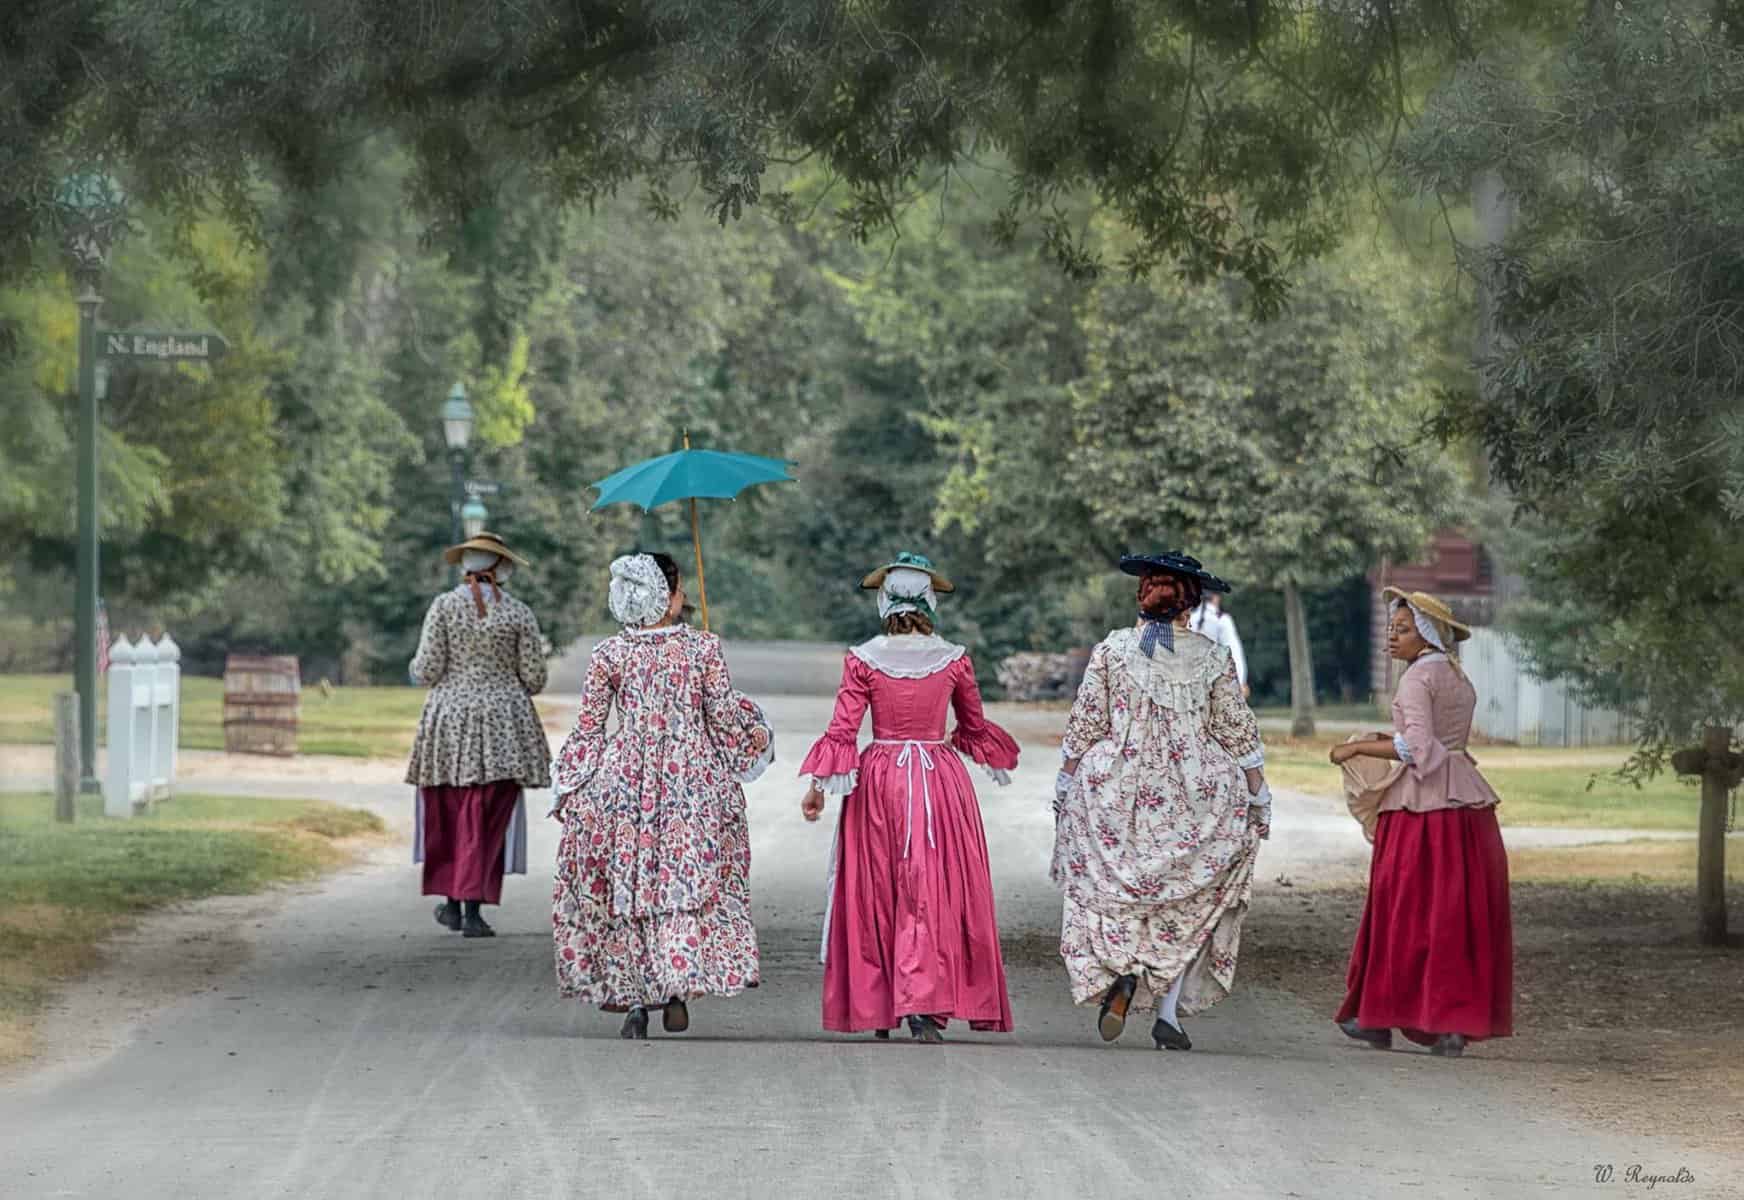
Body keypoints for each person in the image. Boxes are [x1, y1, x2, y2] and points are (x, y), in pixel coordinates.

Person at [1052, 551, 1271, 1051]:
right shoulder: (1214, 657)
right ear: (1190, 605)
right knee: (1181, 898)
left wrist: (1066, 782)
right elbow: (1236, 729)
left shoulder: (1112, 650)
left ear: (1143, 597)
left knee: (1120, 889)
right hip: (1194, 793)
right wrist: (1258, 790)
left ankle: (1124, 974)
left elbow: (1086, 721)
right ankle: (1168, 1015)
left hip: (1117, 788)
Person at [549, 552, 773, 1039]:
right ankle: (676, 988)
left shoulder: (610, 655)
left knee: (633, 884)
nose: (687, 597)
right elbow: (723, 718)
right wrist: (753, 730)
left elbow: (589, 730)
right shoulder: (703, 649)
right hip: (690, 781)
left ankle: (635, 1001)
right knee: (682, 881)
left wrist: (571, 780)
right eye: (680, 591)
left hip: (626, 779)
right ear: (666, 599)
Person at [799, 552, 1019, 1044]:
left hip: (879, 778)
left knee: (878, 889)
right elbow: (974, 725)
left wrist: (817, 787)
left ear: (884, 602)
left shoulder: (862, 658)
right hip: (939, 782)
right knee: (931, 890)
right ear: (928, 602)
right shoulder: (954, 658)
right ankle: (924, 1003)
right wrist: (988, 755)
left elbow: (843, 731)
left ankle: (882, 1005)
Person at [1328, 588, 1512, 1058]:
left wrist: (1354, 749)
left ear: (1426, 634)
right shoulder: (1456, 676)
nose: (1392, 636)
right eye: (1392, 628)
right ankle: (1450, 1023)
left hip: (1422, 808)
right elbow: (1437, 740)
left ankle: (1378, 1017)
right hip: (1465, 801)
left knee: (1403, 910)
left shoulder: (1415, 680)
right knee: (1454, 914)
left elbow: (1415, 746)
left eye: (1403, 629)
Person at [406, 531, 550, 939]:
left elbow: (428, 670)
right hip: (504, 723)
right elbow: (535, 679)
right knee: (486, 816)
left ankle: (452, 904)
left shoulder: (443, 607)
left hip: (449, 723)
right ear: (501, 568)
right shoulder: (520, 614)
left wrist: (422, 668)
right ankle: (473, 910)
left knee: (451, 811)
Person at [1189, 590, 1249, 697]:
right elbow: (1233, 651)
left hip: (1191, 682)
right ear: (1216, 598)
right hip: (1216, 682)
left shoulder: (1190, 619)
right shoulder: (1222, 619)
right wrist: (1240, 681)